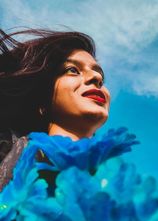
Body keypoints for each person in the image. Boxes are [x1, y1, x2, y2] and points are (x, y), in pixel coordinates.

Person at [0, 28, 110, 190]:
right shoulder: (9, 147)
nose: (97, 78)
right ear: (42, 102)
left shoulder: (109, 186)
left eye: (99, 73)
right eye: (72, 70)